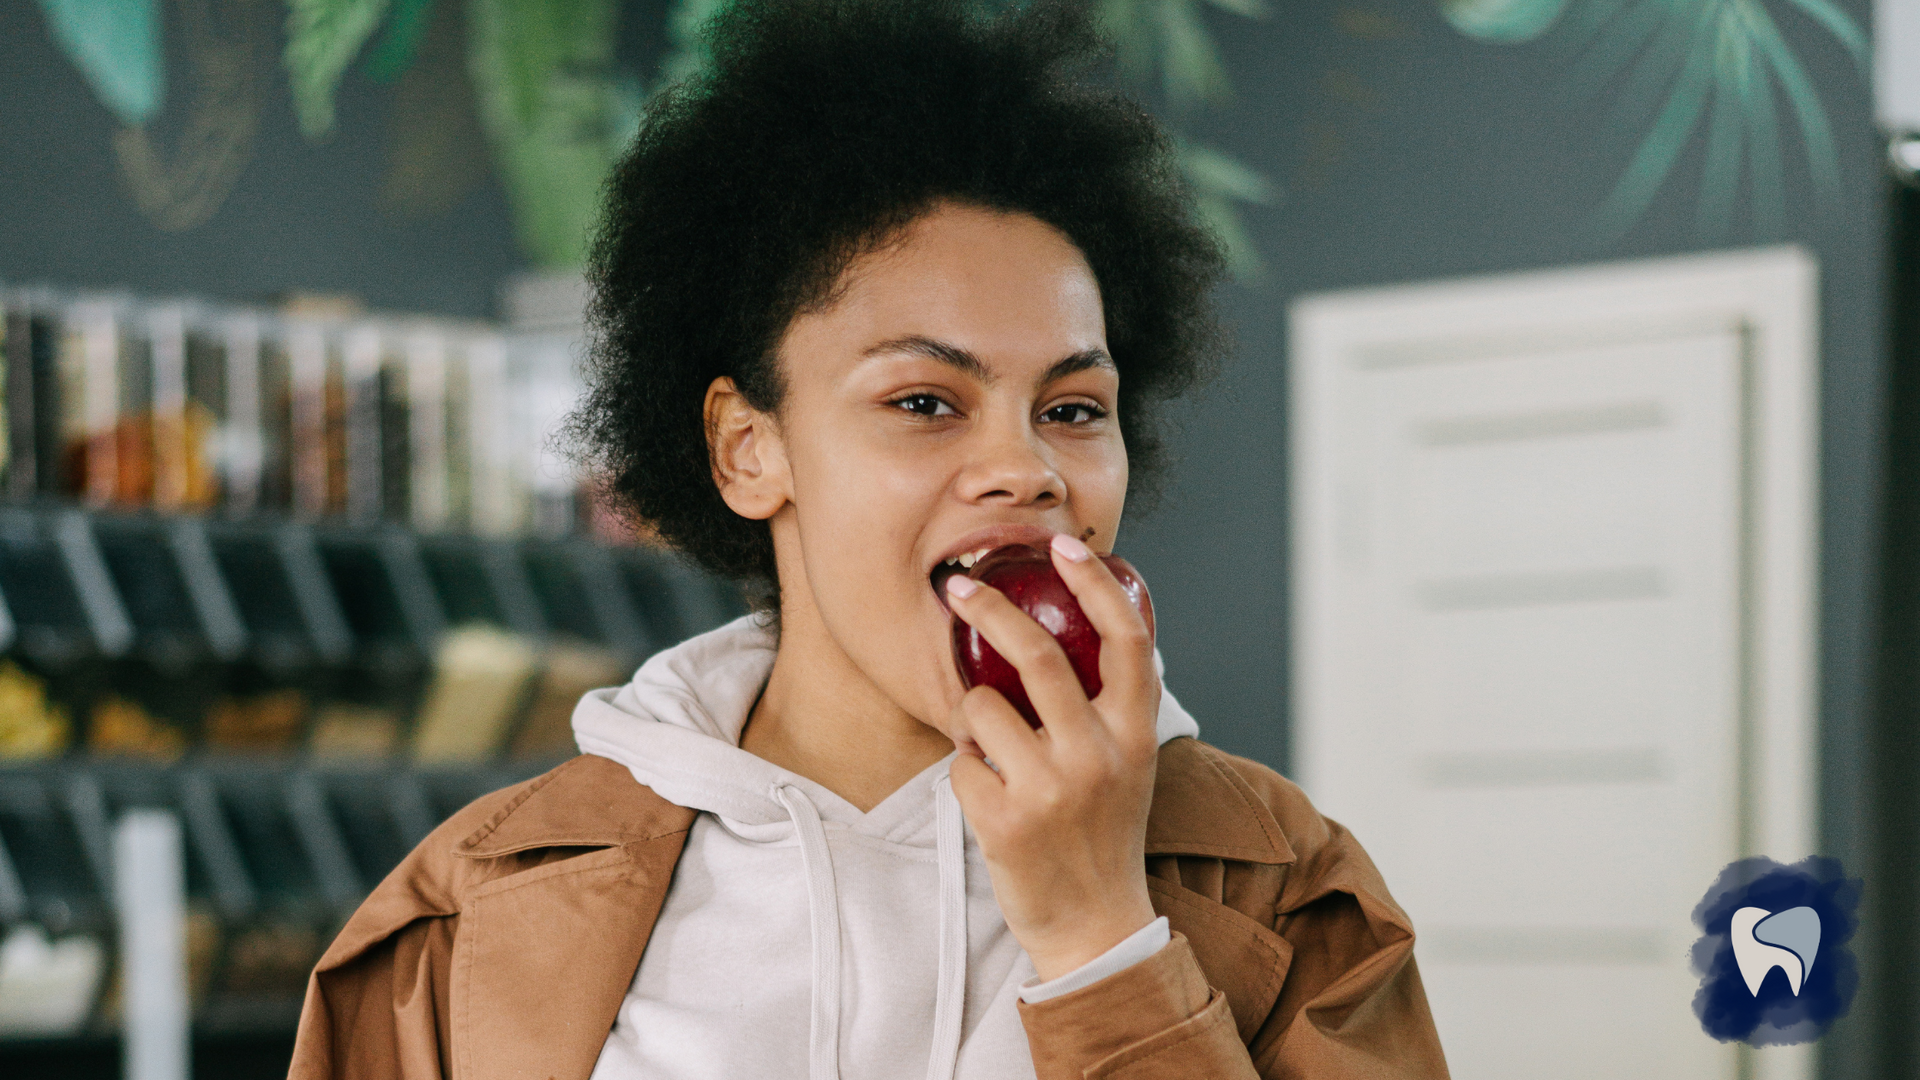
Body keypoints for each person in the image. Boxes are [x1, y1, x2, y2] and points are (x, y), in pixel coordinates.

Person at [288, 0, 1448, 1077]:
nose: (1026, 469)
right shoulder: (469, 912)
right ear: (750, 449)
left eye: (1073, 408)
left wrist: (1101, 936)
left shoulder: (1291, 891)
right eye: (925, 402)